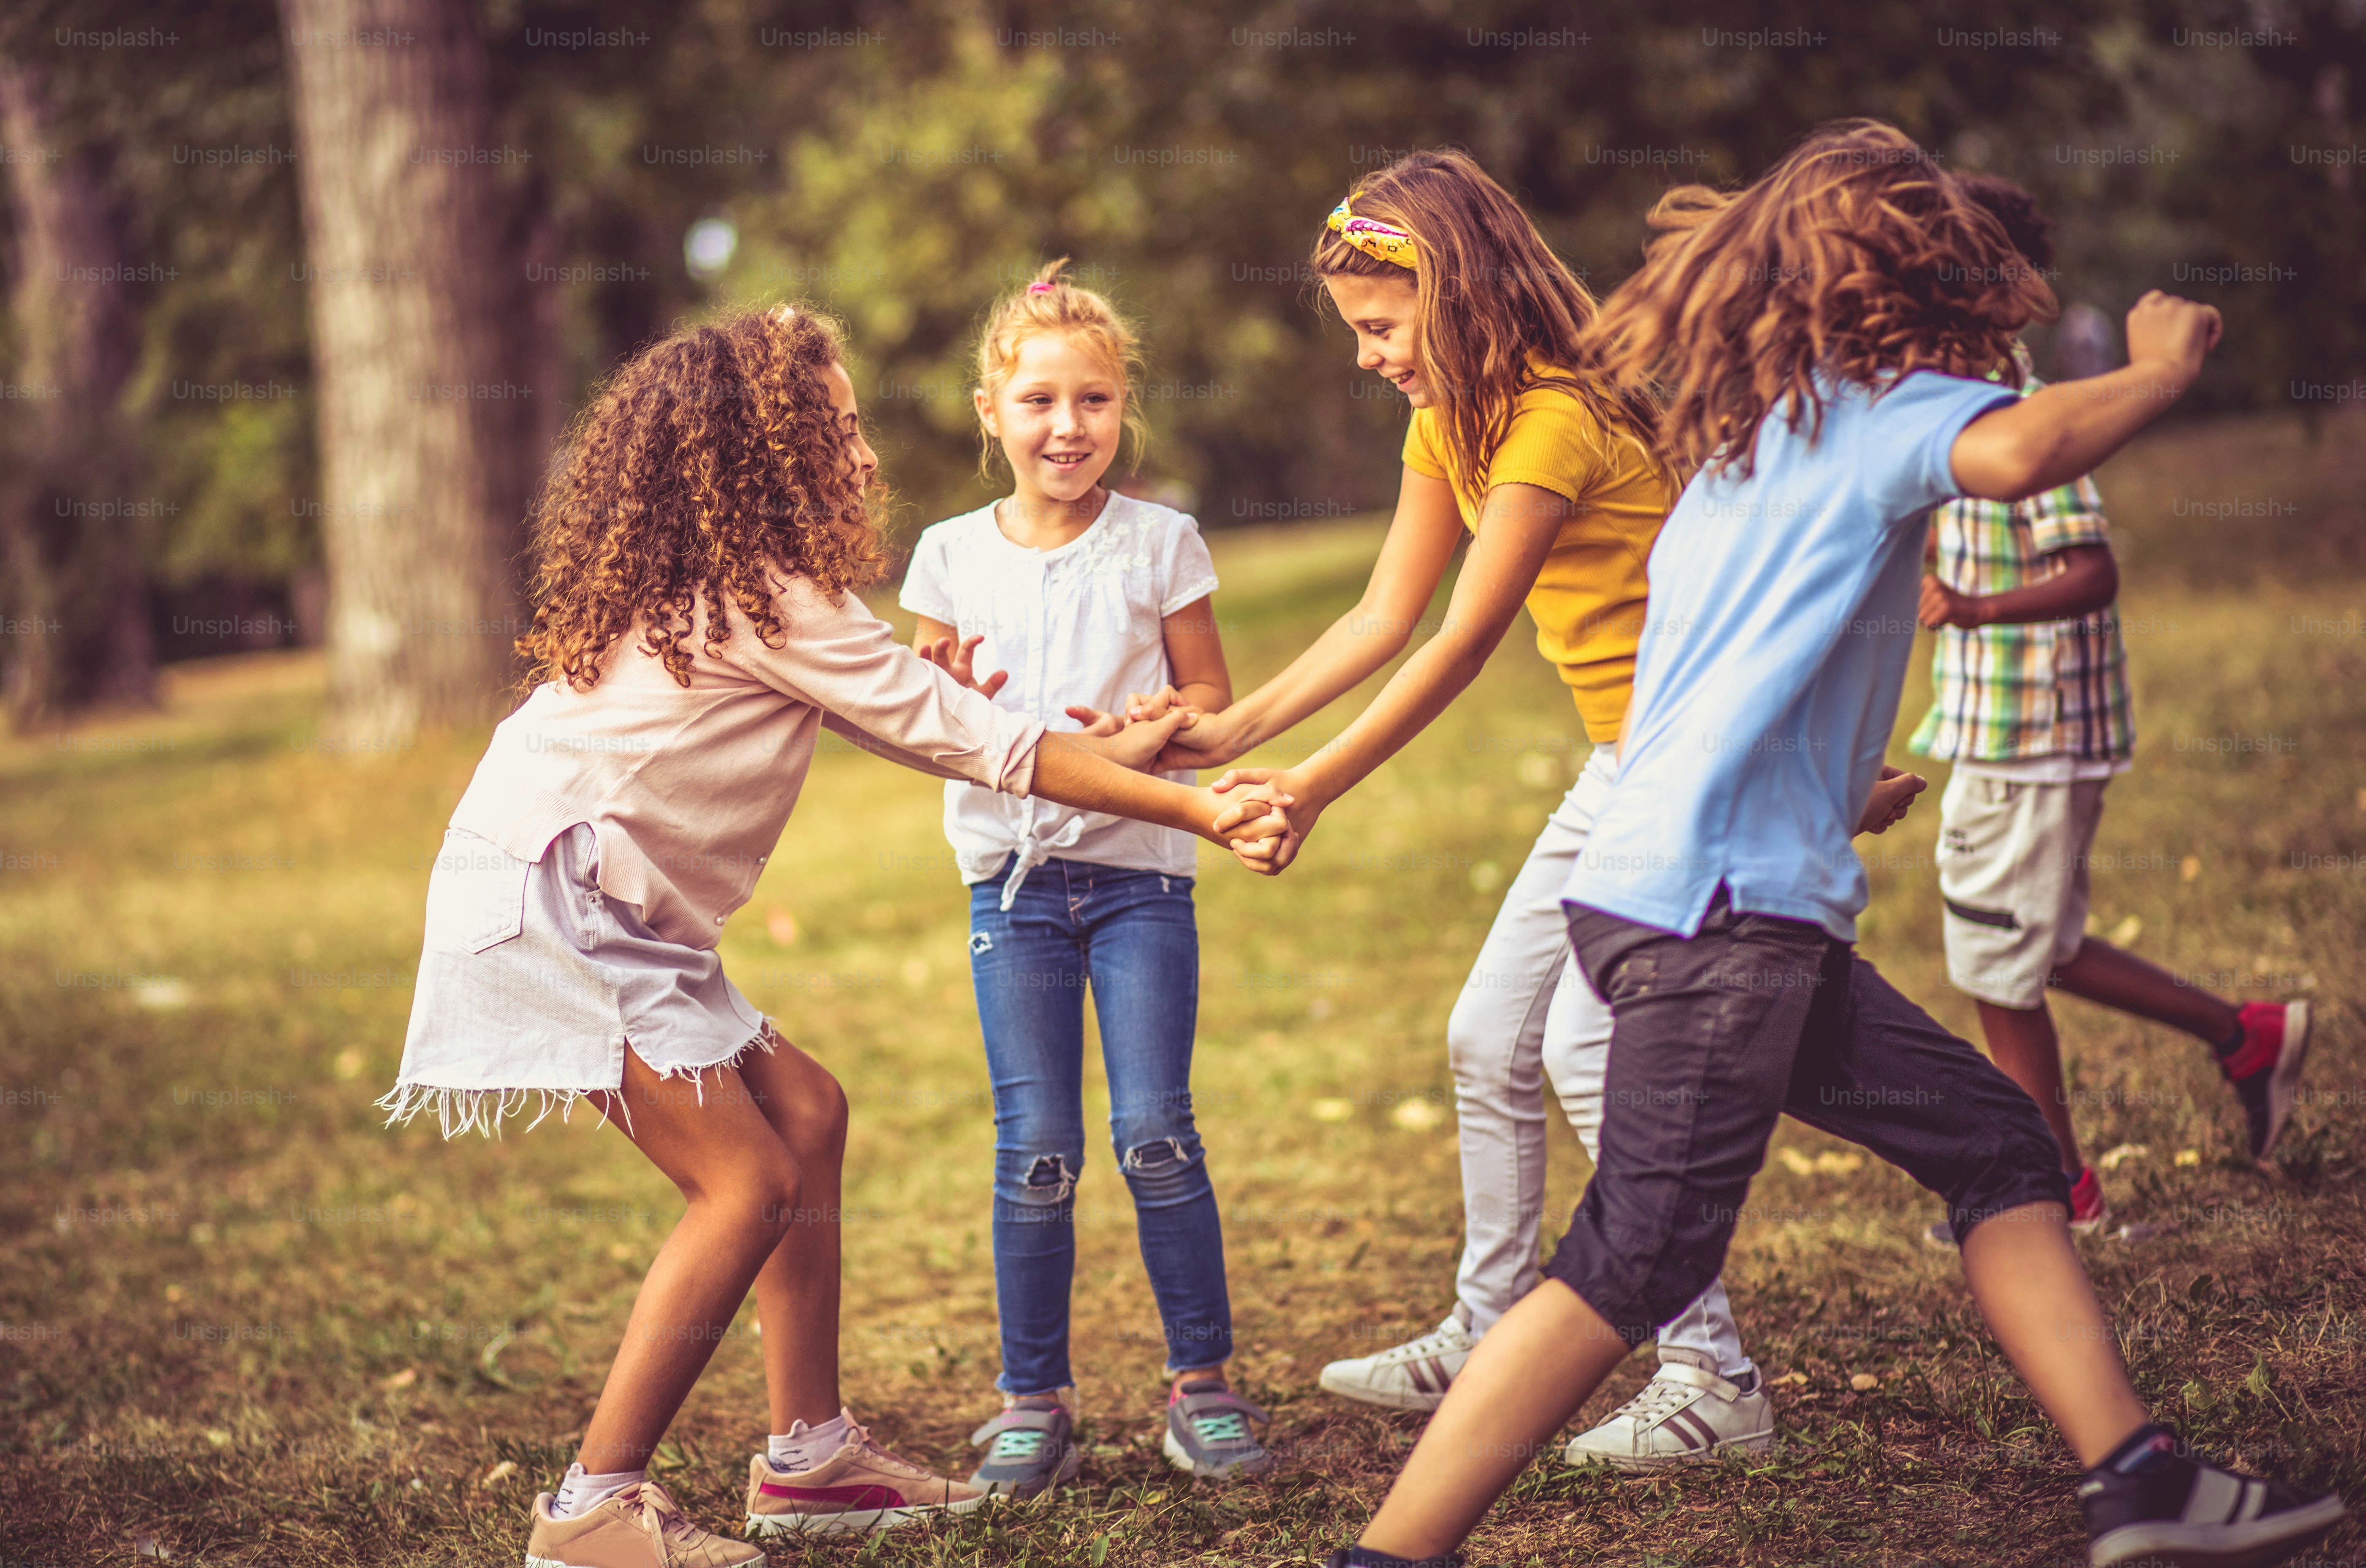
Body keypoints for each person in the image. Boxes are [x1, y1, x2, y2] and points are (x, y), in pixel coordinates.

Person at [1257, 122, 2343, 1568]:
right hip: (1722, 919)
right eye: (1981, 300)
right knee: (1635, 1254)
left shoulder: (1747, 432)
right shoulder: (1876, 419)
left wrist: (1828, 796)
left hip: (1707, 896)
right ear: (1910, 297)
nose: (2004, 332)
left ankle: (2137, 1478)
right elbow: (2021, 449)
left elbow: (1718, 677)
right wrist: (2157, 367)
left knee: (1997, 1144)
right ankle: (1388, 1555)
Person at [378, 304, 1288, 1566]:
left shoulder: (749, 591)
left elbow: (926, 723)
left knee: (805, 1113)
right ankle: (589, 1508)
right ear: (764, 452)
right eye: (835, 431)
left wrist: (983, 719)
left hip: (606, 895)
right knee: (745, 1184)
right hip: (554, 897)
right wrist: (1198, 807)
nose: (862, 456)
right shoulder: (774, 600)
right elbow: (991, 747)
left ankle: (808, 1458)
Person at [1153, 149, 1824, 1467]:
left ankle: (1713, 1375)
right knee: (1486, 1038)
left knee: (1583, 1047)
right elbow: (1383, 612)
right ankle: (1491, 1325)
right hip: (1626, 764)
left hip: (1692, 768)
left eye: (1380, 327)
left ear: (1455, 295)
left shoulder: (1551, 421)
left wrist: (1312, 786)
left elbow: (1461, 642)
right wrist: (1234, 731)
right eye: (1355, 332)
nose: (1367, 357)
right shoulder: (1452, 418)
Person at [898, 259, 1271, 1492]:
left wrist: (1164, 722)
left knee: (1156, 1130)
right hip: (1012, 896)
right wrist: (955, 699)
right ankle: (1032, 1397)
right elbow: (928, 720)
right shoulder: (947, 555)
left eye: (1095, 400)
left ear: (1124, 408)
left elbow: (1209, 695)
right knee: (1036, 1147)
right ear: (990, 411)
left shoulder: (1162, 542)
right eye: (1040, 401)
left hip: (1139, 886)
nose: (1068, 426)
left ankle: (1201, 1382)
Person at [1911, 174, 2312, 1247]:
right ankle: (2244, 1033)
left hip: (2028, 735)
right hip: (2009, 728)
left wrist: (1972, 607)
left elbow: (2092, 571)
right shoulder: (1961, 416)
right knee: (2039, 947)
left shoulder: (2031, 424)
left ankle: (2053, 1192)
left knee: (1995, 968)